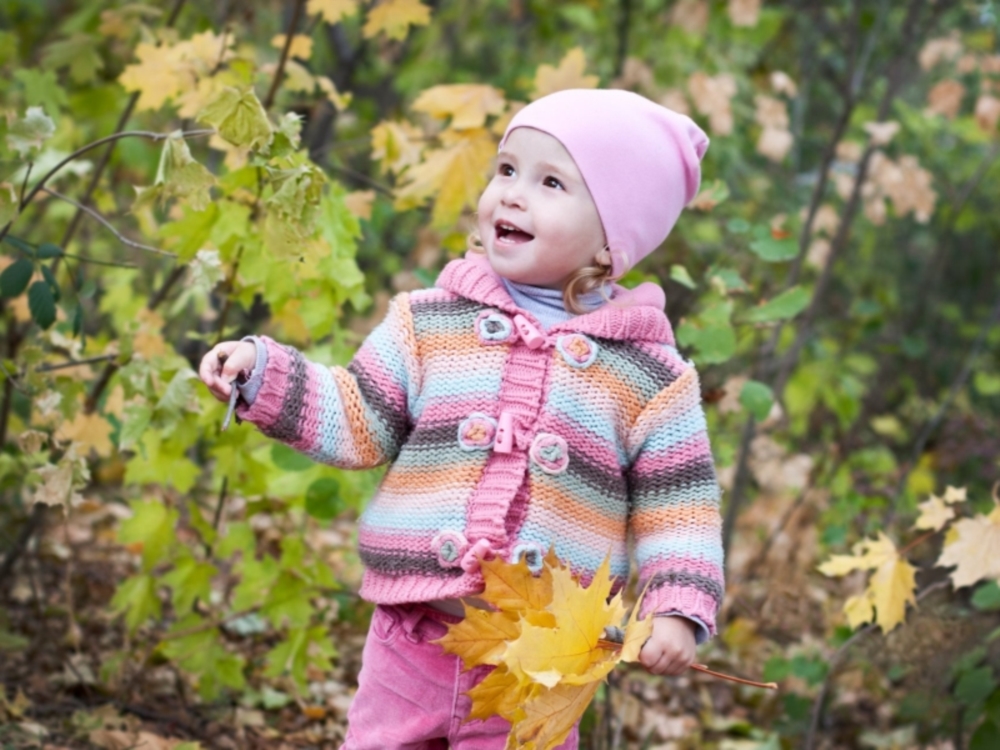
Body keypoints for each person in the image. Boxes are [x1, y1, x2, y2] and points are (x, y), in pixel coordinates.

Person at [199, 88, 723, 749]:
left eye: (550, 181)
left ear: (611, 240)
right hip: (410, 637)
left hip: (539, 664)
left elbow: (681, 509)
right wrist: (265, 375)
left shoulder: (647, 375)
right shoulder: (430, 322)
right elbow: (360, 414)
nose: (510, 193)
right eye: (506, 169)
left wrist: (678, 608)